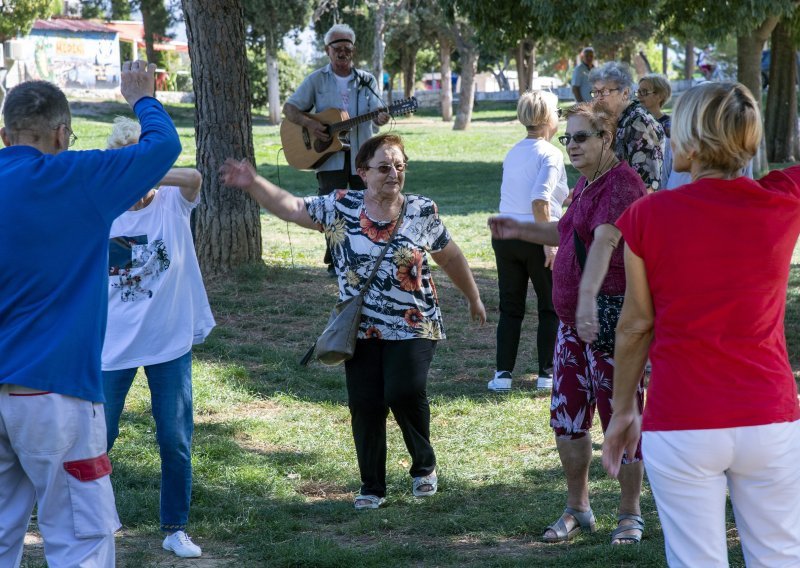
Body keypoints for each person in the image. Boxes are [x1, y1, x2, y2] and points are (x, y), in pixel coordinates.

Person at [221, 133, 486, 510]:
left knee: (403, 392)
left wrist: (473, 297)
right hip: (360, 326)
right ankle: (372, 486)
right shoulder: (340, 207)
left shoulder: (420, 210)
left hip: (414, 320)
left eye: (399, 166)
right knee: (365, 404)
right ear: (362, 172)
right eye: (383, 167)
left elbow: (451, 257)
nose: (393, 173)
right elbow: (293, 207)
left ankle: (424, 466)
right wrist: (254, 183)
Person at [603, 82, 800, 567]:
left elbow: (635, 326)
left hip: (683, 417)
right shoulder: (782, 201)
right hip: (768, 415)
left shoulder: (647, 216)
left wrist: (623, 409)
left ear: (690, 141)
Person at [0, 62, 180, 567]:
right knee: (82, 539)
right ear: (62, 134)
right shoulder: (77, 175)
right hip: (54, 391)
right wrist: (142, 97)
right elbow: (163, 148)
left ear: (4, 133)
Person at [489, 102, 647, 545]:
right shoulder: (585, 183)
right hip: (573, 326)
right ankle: (578, 507)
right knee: (568, 419)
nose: (572, 145)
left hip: (610, 324)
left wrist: (588, 298)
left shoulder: (621, 186)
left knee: (622, 416)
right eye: (569, 137)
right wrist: (517, 229)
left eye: (582, 137)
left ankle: (630, 514)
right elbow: (567, 233)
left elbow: (603, 242)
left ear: (606, 139)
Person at [101, 117, 215, 558]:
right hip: (113, 346)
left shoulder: (172, 200)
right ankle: (98, 518)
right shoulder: (103, 208)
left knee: (174, 437)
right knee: (98, 439)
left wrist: (144, 166)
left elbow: (194, 177)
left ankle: (175, 527)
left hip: (168, 343)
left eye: (143, 174)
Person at [283, 23, 390, 277]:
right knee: (332, 207)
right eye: (338, 49)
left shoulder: (367, 80)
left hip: (362, 156)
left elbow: (376, 112)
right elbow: (290, 109)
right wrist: (312, 124)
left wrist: (381, 117)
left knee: (368, 204)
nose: (343, 54)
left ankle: (367, 256)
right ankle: (335, 262)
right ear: (327, 50)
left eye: (348, 49)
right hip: (327, 156)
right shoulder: (316, 79)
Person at [488, 90, 568, 393]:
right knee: (549, 306)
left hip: (506, 236)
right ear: (548, 118)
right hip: (535, 235)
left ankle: (502, 375)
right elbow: (539, 201)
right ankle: (546, 374)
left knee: (511, 308)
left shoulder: (514, 151)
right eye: (557, 111)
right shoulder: (551, 153)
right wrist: (549, 241)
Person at [590, 62, 664, 191]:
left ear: (625, 93)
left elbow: (648, 185)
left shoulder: (639, 123)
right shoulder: (613, 119)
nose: (598, 98)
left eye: (605, 91)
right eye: (595, 92)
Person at [636, 73, 672, 191]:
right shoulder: (635, 124)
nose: (639, 96)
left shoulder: (669, 125)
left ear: (660, 96)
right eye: (638, 92)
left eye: (645, 92)